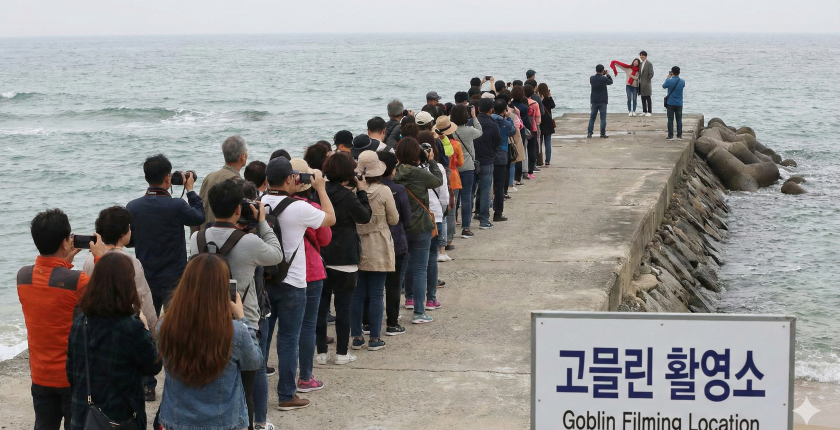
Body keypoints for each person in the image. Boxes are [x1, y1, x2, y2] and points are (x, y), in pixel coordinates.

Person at [189, 179, 284, 424]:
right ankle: (256, 423)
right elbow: (276, 254)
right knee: (247, 387)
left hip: (205, 317)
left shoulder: (197, 239)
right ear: (238, 210)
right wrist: (262, 221)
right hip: (244, 319)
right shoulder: (249, 242)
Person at [17, 210, 107, 430]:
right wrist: (101, 256)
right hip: (71, 377)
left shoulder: (23, 277)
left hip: (40, 374)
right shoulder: (77, 281)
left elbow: (50, 282)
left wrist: (64, 261)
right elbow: (108, 295)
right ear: (66, 243)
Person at [258, 156, 334, 410]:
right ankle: (286, 395)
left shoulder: (260, 203)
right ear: (290, 179)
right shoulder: (299, 208)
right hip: (293, 281)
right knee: (288, 339)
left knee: (263, 339)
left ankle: (256, 396)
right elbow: (329, 220)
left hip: (265, 282)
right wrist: (321, 188)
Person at [156, 253, 262, 430]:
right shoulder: (235, 331)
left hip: (176, 420)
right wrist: (242, 317)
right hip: (226, 421)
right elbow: (254, 362)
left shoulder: (165, 327)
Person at [67, 252, 161, 430]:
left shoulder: (81, 322)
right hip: (120, 418)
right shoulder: (131, 328)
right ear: (127, 285)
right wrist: (146, 330)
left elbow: (71, 372)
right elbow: (153, 366)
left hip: (85, 416)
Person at [127, 154, 205, 316]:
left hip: (146, 277)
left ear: (146, 177)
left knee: (147, 326)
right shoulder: (176, 205)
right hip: (174, 278)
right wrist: (190, 190)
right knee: (176, 327)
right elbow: (199, 217)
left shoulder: (133, 207)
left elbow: (129, 241)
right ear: (167, 178)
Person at [317, 152, 372, 365]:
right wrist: (362, 192)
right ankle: (341, 353)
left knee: (321, 307)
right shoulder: (348, 196)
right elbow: (365, 217)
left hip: (322, 255)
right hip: (345, 256)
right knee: (344, 307)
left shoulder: (319, 193)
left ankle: (321, 351)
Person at [285, 158, 332, 395]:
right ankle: (305, 377)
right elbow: (325, 239)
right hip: (310, 271)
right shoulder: (310, 208)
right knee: (307, 325)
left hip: (283, 271)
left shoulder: (273, 204)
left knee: (287, 329)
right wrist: (321, 191)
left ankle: (284, 377)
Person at [350, 151, 399, 351]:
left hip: (357, 245)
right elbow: (394, 219)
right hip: (379, 243)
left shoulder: (352, 192)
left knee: (357, 293)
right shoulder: (384, 191)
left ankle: (356, 336)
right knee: (377, 293)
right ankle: (375, 338)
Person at [394, 137, 443, 323]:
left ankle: (398, 306)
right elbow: (438, 180)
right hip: (421, 225)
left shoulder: (395, 172)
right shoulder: (419, 173)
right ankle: (419, 312)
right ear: (417, 153)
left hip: (401, 225)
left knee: (401, 268)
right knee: (420, 268)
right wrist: (430, 160)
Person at [378, 151, 411, 336]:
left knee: (371, 286)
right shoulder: (397, 189)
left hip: (372, 243)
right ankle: (392, 323)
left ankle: (367, 323)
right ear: (392, 169)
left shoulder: (365, 188)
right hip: (395, 241)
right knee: (393, 284)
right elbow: (406, 219)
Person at [197, 135, 248, 227]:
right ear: (243, 156)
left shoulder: (209, 177)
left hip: (204, 237)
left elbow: (199, 209)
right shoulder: (239, 183)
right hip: (228, 238)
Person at [450, 104, 481, 238]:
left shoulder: (450, 132)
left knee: (454, 197)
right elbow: (480, 131)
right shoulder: (469, 130)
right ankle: (466, 227)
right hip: (468, 167)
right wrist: (474, 117)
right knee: (467, 197)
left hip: (454, 168)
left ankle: (453, 223)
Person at [435, 116, 463, 256]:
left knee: (441, 212)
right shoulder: (455, 144)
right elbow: (460, 163)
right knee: (451, 210)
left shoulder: (435, 143)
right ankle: (449, 240)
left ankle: (440, 240)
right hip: (453, 176)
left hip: (439, 176)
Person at [471, 97, 500, 230]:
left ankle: (466, 221)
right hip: (487, 160)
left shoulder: (470, 122)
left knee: (469, 192)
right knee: (485, 191)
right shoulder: (493, 125)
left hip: (472, 160)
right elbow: (497, 142)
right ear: (491, 110)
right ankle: (484, 220)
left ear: (478, 109)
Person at [490, 99, 516, 222]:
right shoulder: (505, 122)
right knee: (499, 186)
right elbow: (513, 131)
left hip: (488, 154)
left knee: (484, 185)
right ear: (504, 110)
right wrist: (509, 118)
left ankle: (479, 211)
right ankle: (497, 212)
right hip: (501, 155)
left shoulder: (488, 120)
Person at [509, 86, 531, 185]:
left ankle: (511, 177)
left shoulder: (510, 106)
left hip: (510, 130)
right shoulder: (524, 107)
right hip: (520, 131)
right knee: (519, 153)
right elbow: (526, 122)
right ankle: (518, 178)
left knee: (511, 151)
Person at [588, 64, 613, 139]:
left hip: (594, 100)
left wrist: (602, 74)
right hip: (603, 101)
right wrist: (607, 74)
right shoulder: (604, 79)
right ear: (603, 70)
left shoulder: (591, 78)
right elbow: (611, 82)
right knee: (603, 118)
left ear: (596, 70)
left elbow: (597, 78)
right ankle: (602, 133)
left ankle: (589, 133)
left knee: (592, 117)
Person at [663, 66, 686, 141]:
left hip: (670, 103)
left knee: (670, 119)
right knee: (679, 119)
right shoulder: (682, 81)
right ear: (679, 73)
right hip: (679, 103)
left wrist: (667, 78)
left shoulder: (669, 81)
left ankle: (670, 136)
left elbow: (664, 86)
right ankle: (679, 136)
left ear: (672, 72)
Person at [524, 84, 542, 176]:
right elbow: (538, 119)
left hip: (522, 128)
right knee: (532, 150)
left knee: (523, 149)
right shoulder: (535, 103)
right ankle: (531, 170)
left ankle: (523, 170)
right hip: (532, 128)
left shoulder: (520, 102)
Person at [536, 83, 556, 166]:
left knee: (539, 142)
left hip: (539, 120)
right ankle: (547, 161)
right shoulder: (548, 99)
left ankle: (539, 160)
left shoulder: (537, 99)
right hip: (547, 121)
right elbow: (553, 106)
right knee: (548, 143)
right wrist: (550, 96)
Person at [638, 51, 655, 116]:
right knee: (642, 97)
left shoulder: (649, 64)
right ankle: (644, 111)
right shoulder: (640, 64)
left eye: (642, 55)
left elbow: (651, 73)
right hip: (641, 83)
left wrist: (647, 80)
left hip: (647, 83)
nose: (641, 56)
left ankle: (649, 111)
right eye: (640, 55)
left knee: (648, 97)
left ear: (645, 56)